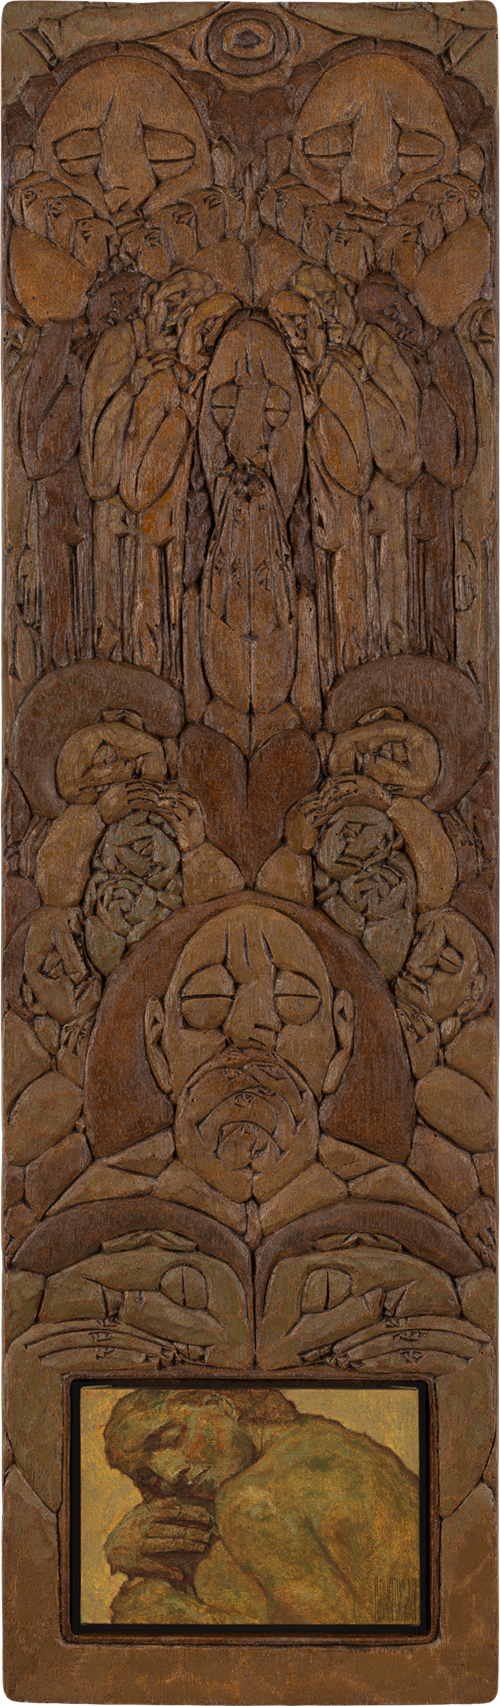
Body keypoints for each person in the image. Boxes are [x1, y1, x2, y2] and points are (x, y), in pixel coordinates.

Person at [104, 1385, 420, 1625]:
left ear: (220, 1405)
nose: (171, 1473)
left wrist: (176, 1615)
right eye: (147, 1477)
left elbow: (323, 1649)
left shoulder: (248, 1499)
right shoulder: (320, 1441)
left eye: (172, 1437)